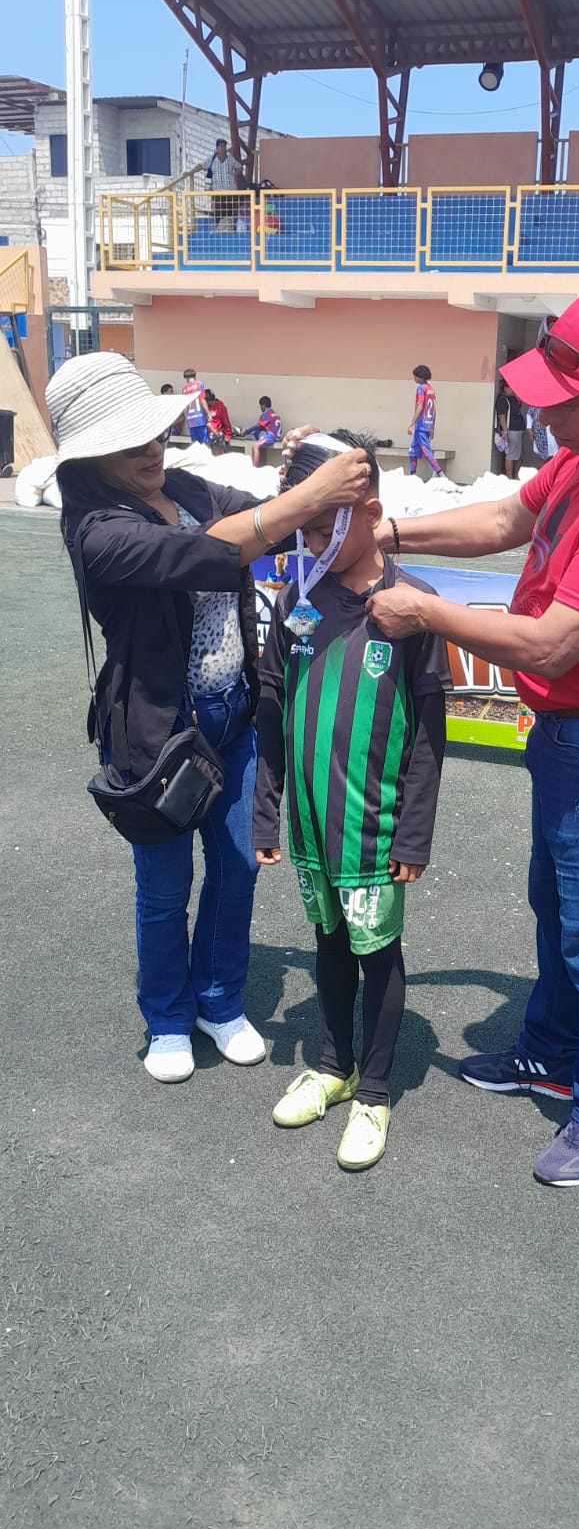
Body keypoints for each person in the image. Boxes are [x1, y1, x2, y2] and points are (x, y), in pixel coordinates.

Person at [359, 289, 579, 1188]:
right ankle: (552, 1052)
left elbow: (553, 643)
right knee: (558, 905)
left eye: (565, 402)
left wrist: (423, 610)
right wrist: (386, 532)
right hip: (577, 730)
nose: (545, 417)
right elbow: (504, 521)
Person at [47, 352, 369, 1084]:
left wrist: (303, 473)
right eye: (129, 444)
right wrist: (304, 495)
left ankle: (219, 1001)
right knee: (164, 888)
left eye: (155, 433)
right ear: (91, 458)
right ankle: (167, 1015)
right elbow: (203, 554)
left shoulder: (187, 486)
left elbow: (270, 523)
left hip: (235, 712)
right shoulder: (97, 529)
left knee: (237, 869)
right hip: (158, 732)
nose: (152, 450)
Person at [253, 431, 451, 1170]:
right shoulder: (297, 599)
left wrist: (414, 833)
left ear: (367, 512)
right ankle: (332, 1068)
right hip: (311, 825)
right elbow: (272, 706)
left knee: (378, 952)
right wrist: (268, 807)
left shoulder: (414, 606)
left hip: (373, 827)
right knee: (328, 942)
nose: (307, 543)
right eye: (300, 529)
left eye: (317, 528)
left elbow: (429, 734)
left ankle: (374, 1091)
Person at [407, 364, 444, 478]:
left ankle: (441, 474)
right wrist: (432, 428)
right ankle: (413, 475)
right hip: (428, 425)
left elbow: (420, 406)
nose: (414, 378)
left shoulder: (421, 388)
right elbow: (433, 410)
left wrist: (411, 423)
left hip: (421, 425)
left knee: (426, 451)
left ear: (420, 377)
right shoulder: (431, 389)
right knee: (412, 451)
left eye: (415, 376)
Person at [206, 137, 244, 228]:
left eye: (224, 146)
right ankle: (220, 230)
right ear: (217, 148)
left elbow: (239, 167)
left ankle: (228, 230)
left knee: (229, 212)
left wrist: (235, 174)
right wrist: (190, 172)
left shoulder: (230, 158)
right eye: (221, 146)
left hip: (230, 190)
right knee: (219, 211)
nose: (223, 148)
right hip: (218, 191)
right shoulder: (212, 159)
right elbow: (201, 165)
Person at [495, 377, 527, 479]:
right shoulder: (502, 400)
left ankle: (516, 476)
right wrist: (505, 433)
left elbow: (519, 406)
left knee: (518, 454)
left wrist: (517, 397)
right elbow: (502, 417)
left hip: (518, 428)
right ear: (505, 388)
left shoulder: (512, 398)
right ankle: (510, 477)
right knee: (511, 454)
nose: (512, 389)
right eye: (510, 387)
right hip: (511, 429)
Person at [243, 396, 283, 467]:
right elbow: (263, 427)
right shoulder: (274, 414)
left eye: (260, 406)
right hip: (277, 436)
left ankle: (254, 467)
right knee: (259, 440)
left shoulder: (266, 414)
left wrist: (246, 432)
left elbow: (258, 426)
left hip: (271, 436)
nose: (260, 408)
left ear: (263, 406)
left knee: (255, 446)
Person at [182, 369, 210, 447]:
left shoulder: (184, 389)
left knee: (195, 444)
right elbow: (202, 399)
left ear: (186, 378)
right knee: (204, 443)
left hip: (191, 419)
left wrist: (187, 417)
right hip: (200, 418)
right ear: (195, 376)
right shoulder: (199, 384)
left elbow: (186, 406)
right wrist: (208, 413)